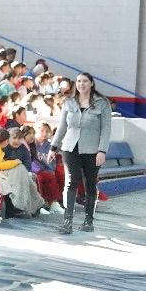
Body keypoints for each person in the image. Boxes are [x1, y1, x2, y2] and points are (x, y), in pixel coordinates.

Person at [49, 72, 112, 233]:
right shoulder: (69, 102)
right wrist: (53, 147)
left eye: (84, 81)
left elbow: (106, 129)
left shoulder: (102, 104)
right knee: (70, 182)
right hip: (70, 148)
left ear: (91, 83)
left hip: (92, 150)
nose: (81, 84)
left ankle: (88, 221)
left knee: (90, 184)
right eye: (78, 81)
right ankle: (67, 221)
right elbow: (62, 126)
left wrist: (102, 150)